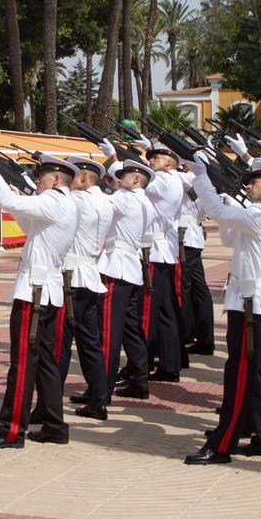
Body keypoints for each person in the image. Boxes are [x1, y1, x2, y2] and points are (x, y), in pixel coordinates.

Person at [183, 152, 261, 464]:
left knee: (239, 374)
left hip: (251, 305)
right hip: (251, 301)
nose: (249, 185)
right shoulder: (258, 214)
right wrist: (229, 205)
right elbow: (229, 236)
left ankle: (222, 442)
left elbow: (214, 211)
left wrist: (202, 177)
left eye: (254, 181)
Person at [0, 153, 79, 449]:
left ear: (56, 179)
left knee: (22, 364)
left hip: (34, 293)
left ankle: (11, 431)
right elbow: (25, 222)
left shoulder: (54, 200)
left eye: (42, 176)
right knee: (46, 362)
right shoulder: (63, 203)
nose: (38, 181)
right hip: (47, 291)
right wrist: (17, 191)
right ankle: (54, 426)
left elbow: (7, 203)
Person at [89, 158, 155, 414]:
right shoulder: (144, 201)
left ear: (136, 179)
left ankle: (100, 392)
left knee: (107, 333)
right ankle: (139, 379)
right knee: (130, 329)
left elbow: (97, 205)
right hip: (131, 269)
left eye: (124, 175)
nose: (119, 179)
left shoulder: (126, 198)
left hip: (116, 268)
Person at [62, 159, 111, 413]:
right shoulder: (105, 200)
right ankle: (98, 400)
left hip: (72, 277)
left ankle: (50, 404)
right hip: (91, 274)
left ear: (82, 176)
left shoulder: (78, 200)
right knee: (90, 343)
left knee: (61, 343)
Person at [139, 142, 188, 382]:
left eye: (155, 158)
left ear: (169, 162)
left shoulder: (164, 181)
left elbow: (135, 180)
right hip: (163, 253)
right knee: (166, 313)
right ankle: (170, 365)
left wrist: (114, 158)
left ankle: (140, 366)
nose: (150, 161)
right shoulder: (172, 180)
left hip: (154, 253)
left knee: (146, 312)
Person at [177, 175, 216, 357]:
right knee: (199, 289)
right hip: (192, 236)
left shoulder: (185, 177)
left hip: (184, 238)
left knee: (181, 290)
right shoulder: (197, 178)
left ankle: (183, 337)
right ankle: (204, 339)